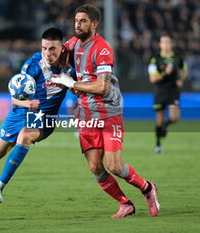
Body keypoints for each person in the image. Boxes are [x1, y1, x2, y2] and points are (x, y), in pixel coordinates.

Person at [51, 4, 160, 218]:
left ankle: (147, 188)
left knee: (115, 166)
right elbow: (55, 55)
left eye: (83, 21)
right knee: (95, 168)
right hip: (85, 115)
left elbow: (102, 87)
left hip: (108, 112)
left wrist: (70, 82)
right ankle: (125, 203)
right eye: (76, 21)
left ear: (94, 24)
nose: (78, 25)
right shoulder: (72, 44)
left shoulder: (102, 49)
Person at [0, 28, 75, 215]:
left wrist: (72, 86)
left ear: (62, 48)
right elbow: (13, 98)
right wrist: (27, 103)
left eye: (52, 49)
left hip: (44, 116)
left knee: (24, 136)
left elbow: (79, 89)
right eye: (44, 48)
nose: (48, 53)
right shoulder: (32, 65)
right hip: (19, 112)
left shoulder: (71, 67)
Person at [148, 34, 187, 153]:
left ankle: (167, 124)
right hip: (160, 90)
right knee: (159, 119)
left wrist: (181, 79)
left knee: (175, 117)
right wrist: (165, 73)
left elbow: (184, 68)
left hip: (173, 89)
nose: (165, 45)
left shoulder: (178, 57)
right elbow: (153, 79)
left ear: (171, 44)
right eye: (163, 42)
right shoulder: (155, 58)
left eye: (167, 42)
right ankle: (158, 144)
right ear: (160, 45)